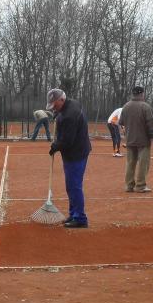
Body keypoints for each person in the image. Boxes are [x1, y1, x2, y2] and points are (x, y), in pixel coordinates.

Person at [48, 88, 91, 228]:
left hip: (76, 153)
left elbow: (67, 141)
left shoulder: (69, 115)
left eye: (55, 105)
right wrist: (58, 114)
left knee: (74, 186)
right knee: (71, 186)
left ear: (61, 100)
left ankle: (80, 219)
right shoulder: (71, 104)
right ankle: (73, 214)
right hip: (76, 151)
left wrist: (56, 146)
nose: (53, 108)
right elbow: (64, 117)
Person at [119, 86, 153, 193]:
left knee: (130, 163)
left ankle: (129, 186)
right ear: (142, 94)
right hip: (143, 141)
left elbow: (121, 122)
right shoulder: (145, 107)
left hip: (130, 139)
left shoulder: (126, 106)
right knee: (143, 163)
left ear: (133, 94)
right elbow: (151, 124)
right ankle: (140, 185)